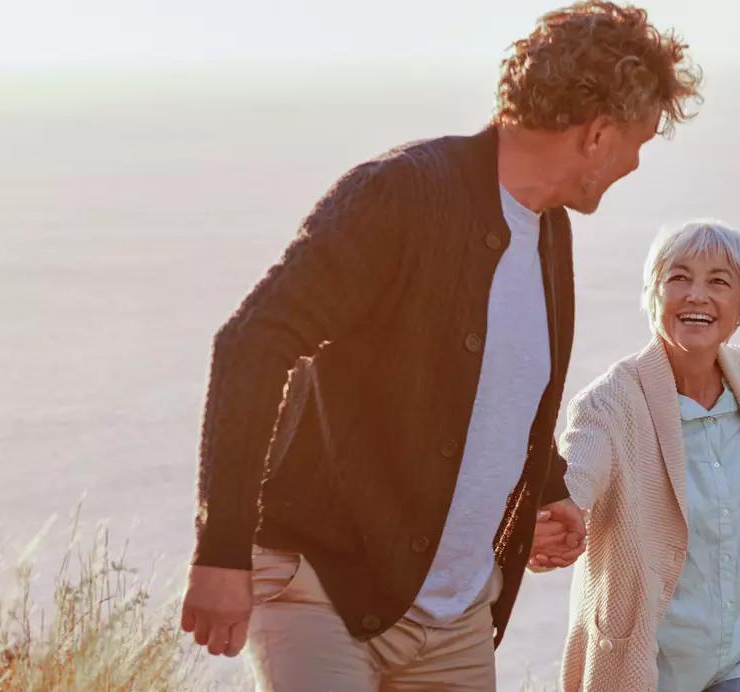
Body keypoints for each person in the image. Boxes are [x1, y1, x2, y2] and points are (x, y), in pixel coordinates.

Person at [178, 3, 702, 689]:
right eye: (639, 140)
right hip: (323, 595)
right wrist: (222, 552)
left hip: (455, 622)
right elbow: (254, 342)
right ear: (599, 133)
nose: (635, 162)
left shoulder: (547, 234)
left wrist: (545, 489)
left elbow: (489, 388)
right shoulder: (400, 194)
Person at [543, 221, 740, 692]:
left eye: (719, 281)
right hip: (649, 664)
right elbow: (576, 473)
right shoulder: (610, 402)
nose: (697, 295)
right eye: (678, 278)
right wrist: (552, 521)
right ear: (652, 296)